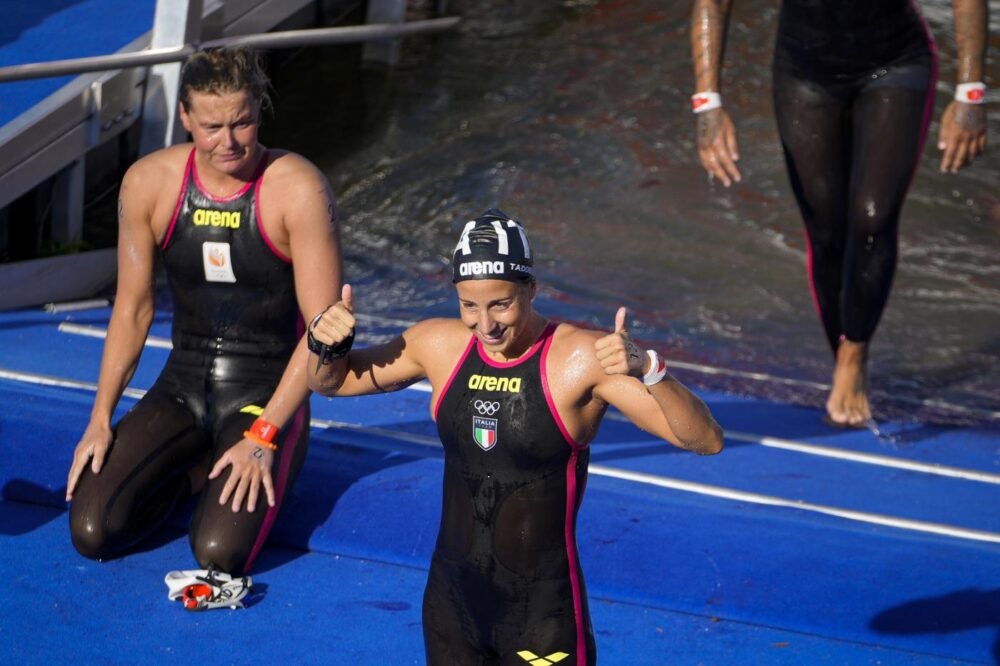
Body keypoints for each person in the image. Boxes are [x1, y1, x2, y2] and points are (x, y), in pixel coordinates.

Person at [306, 209, 724, 665]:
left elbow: (705, 440)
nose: (485, 326)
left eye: (501, 304)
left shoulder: (578, 358)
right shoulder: (437, 344)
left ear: (531, 290)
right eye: (469, 306)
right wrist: (329, 345)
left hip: (543, 614)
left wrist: (650, 368)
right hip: (452, 604)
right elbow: (332, 384)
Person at [65, 47, 343, 575]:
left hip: (268, 396)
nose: (229, 142)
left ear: (259, 111)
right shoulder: (148, 183)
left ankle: (244, 461)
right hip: (183, 383)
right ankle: (196, 468)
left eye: (242, 122)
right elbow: (132, 310)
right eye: (212, 126)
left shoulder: (298, 188)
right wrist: (99, 419)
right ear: (186, 117)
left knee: (219, 554)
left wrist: (265, 435)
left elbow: (321, 332)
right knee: (94, 531)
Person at [690, 0, 989, 426]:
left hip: (896, 62)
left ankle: (854, 355)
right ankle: (842, 346)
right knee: (825, 227)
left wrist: (970, 94)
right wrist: (708, 105)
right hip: (805, 72)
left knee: (873, 218)